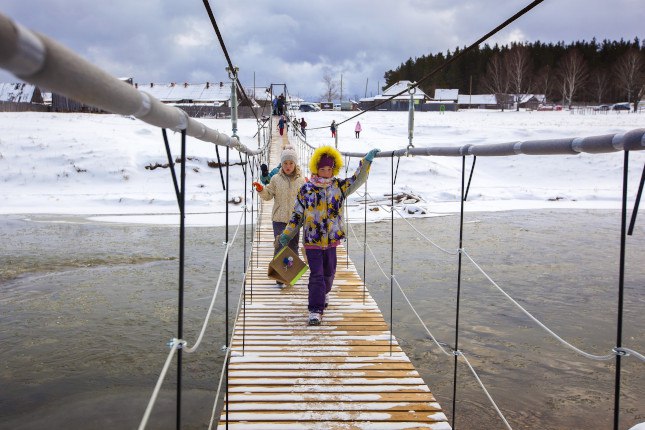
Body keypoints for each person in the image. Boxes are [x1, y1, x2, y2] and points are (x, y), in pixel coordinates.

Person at [278, 145, 380, 325]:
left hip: (332, 241)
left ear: (334, 169)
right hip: (312, 241)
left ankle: (323, 293)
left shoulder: (339, 187)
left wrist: (366, 162)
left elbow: (358, 180)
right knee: (316, 274)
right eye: (322, 168)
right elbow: (297, 215)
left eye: (329, 169)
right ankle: (315, 310)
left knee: (329, 273)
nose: (326, 172)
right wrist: (286, 234)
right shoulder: (306, 189)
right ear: (316, 168)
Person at [253, 145, 306, 288]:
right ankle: (279, 276)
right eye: (285, 163)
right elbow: (268, 195)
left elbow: (306, 200)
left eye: (291, 163)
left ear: (295, 164)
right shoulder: (276, 179)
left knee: (293, 247)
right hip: (279, 219)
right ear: (281, 164)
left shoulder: (301, 181)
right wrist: (261, 189)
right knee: (280, 245)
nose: (288, 166)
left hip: (295, 221)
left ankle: (290, 275)